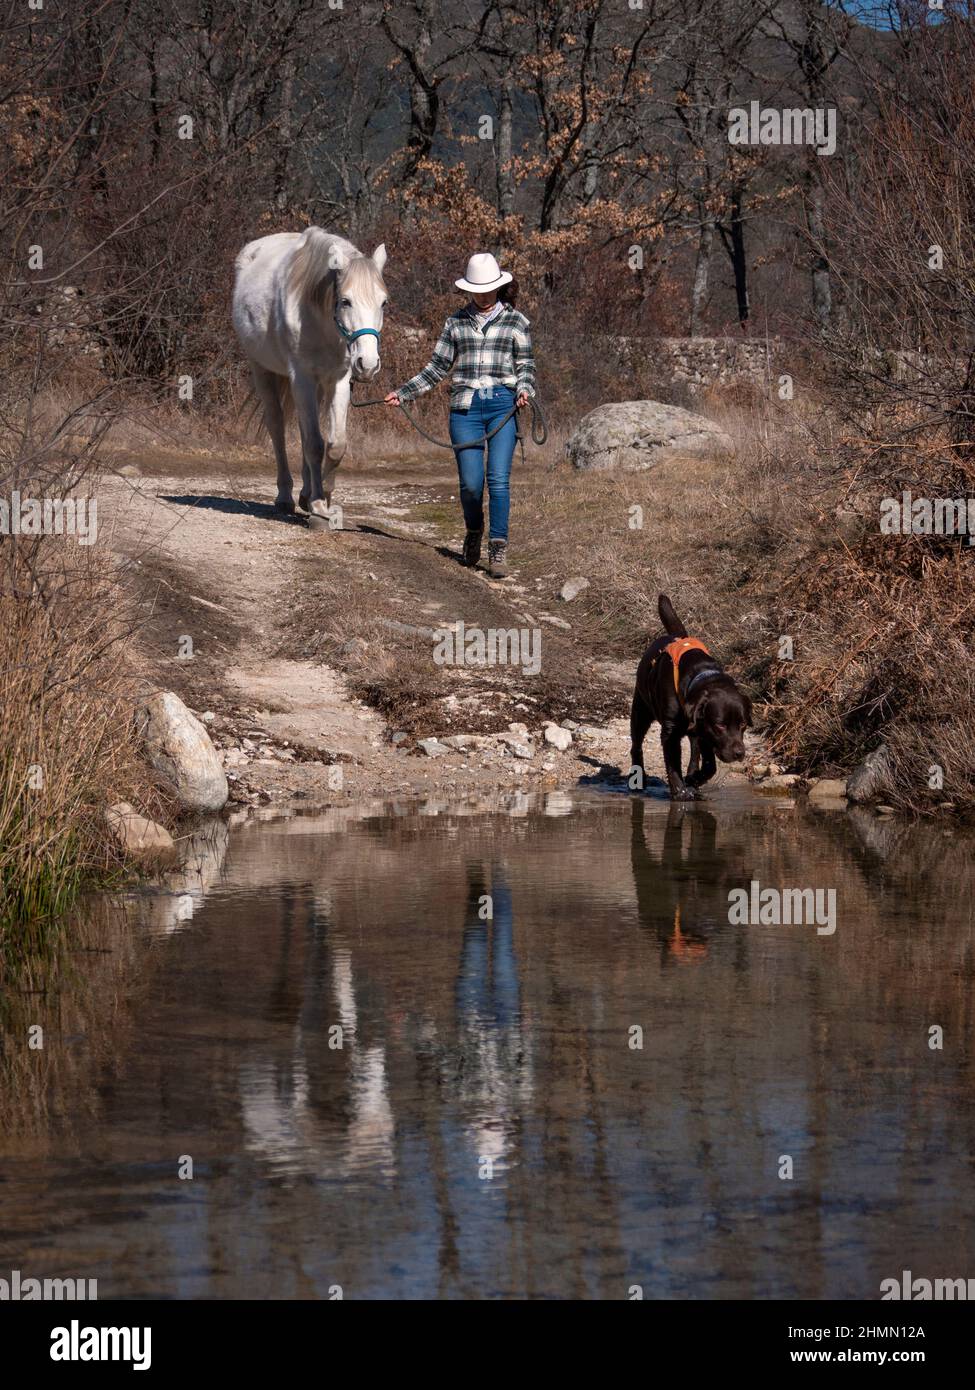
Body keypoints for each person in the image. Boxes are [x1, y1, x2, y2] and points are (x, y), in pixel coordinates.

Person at [385, 252, 536, 579]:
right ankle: (473, 531)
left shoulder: (516, 322)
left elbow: (525, 365)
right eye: (476, 289)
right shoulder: (454, 323)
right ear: (468, 290)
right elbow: (437, 367)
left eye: (487, 289)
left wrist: (524, 389)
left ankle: (498, 547)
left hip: (501, 405)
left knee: (497, 479)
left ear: (498, 287)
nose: (482, 295)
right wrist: (404, 392)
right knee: (470, 484)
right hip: (465, 409)